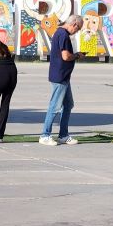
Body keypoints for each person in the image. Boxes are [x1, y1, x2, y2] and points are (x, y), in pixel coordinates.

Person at [40, 14, 84, 146]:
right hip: (60, 76)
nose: (77, 31)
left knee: (68, 104)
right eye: (78, 29)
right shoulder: (63, 35)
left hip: (62, 76)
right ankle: (45, 135)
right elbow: (65, 56)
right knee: (55, 106)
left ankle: (63, 135)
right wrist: (77, 55)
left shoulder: (58, 32)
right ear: (74, 24)